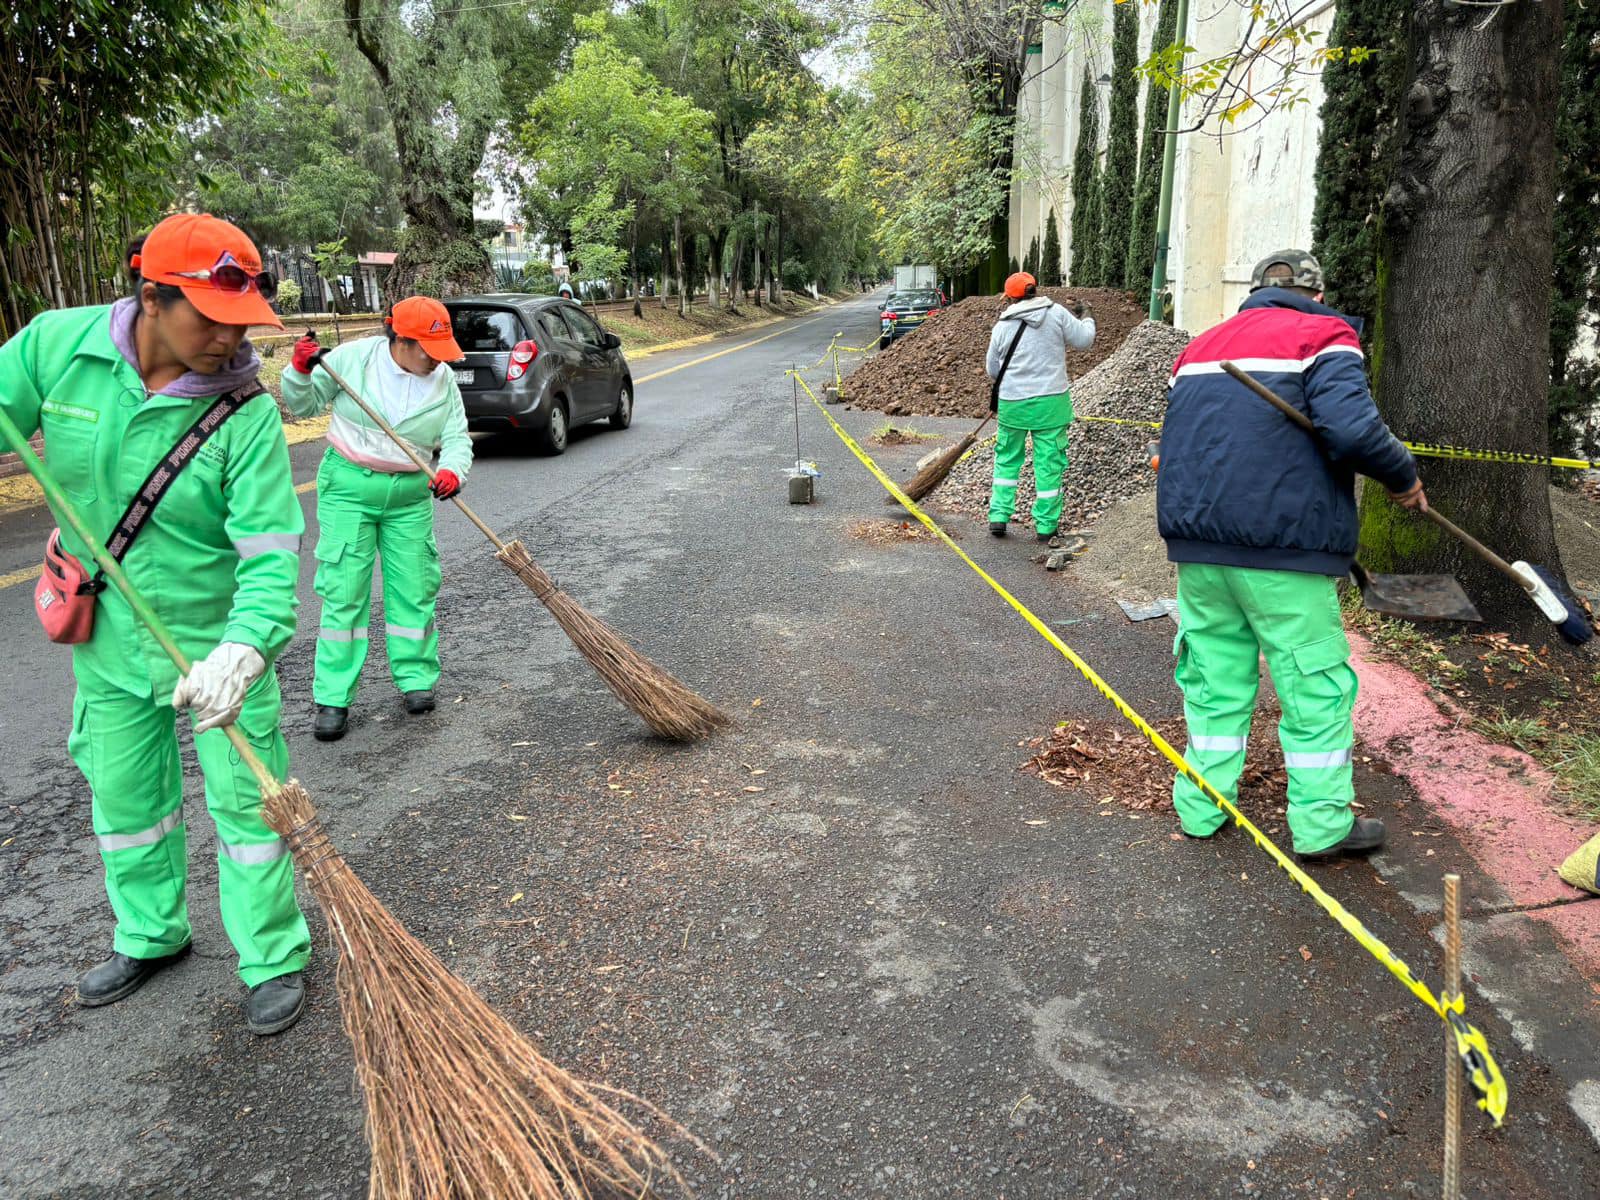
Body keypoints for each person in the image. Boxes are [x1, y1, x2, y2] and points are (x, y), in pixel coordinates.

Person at [0, 213, 312, 1033]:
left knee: (250, 806)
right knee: (127, 796)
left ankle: (273, 955)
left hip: (213, 639)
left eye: (241, 324)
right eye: (209, 319)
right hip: (104, 636)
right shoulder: (54, 348)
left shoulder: (243, 413)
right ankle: (149, 932)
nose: (229, 341)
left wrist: (246, 649)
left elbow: (273, 553)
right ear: (150, 299)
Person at [1156, 249, 1428, 862]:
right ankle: (1322, 826)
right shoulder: (1324, 334)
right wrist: (1402, 477)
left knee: (1213, 680)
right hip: (1284, 548)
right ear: (1319, 294)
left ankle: (1201, 807)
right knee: (1314, 687)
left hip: (1199, 547)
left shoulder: (1202, 347)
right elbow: (1354, 431)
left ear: (1253, 292)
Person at [282, 296, 472, 742]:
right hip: (350, 488)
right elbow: (305, 405)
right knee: (344, 591)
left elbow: (457, 436)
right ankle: (333, 696)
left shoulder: (442, 379)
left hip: (410, 495)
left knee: (415, 585)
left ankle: (416, 678)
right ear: (399, 339)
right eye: (426, 349)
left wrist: (452, 470)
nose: (434, 360)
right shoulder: (353, 361)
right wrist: (300, 370)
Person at [984, 271, 1096, 541]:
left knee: (1007, 459)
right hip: (1051, 403)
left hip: (1013, 404)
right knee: (1049, 463)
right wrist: (1088, 316)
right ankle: (1046, 526)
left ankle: (999, 516)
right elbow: (1084, 341)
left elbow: (992, 369)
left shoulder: (1002, 326)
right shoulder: (1056, 313)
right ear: (1036, 289)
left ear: (1009, 297)